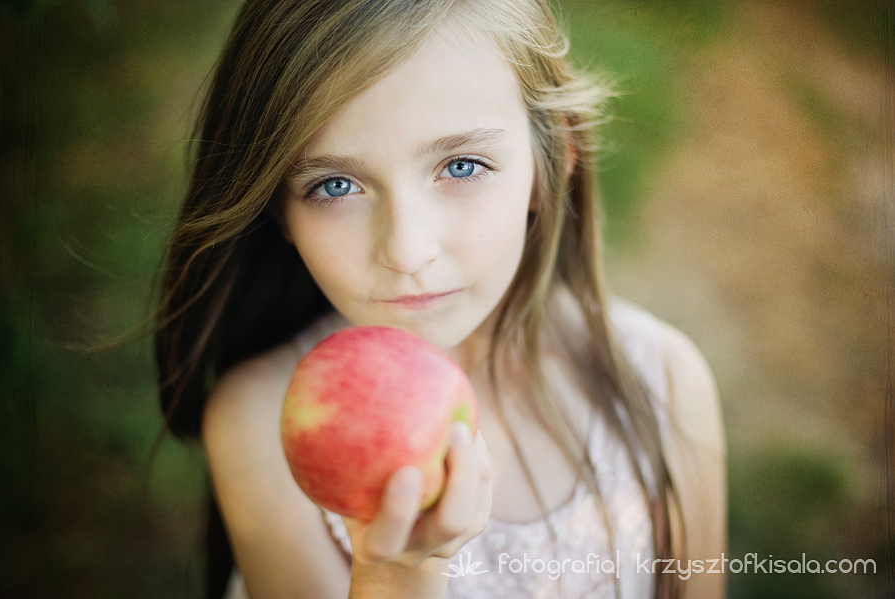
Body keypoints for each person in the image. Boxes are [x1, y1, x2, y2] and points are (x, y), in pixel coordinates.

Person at [154, 0, 726, 598]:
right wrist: (397, 577)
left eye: (461, 165)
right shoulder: (263, 420)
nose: (406, 249)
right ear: (279, 210)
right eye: (335, 185)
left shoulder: (663, 384)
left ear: (551, 160)